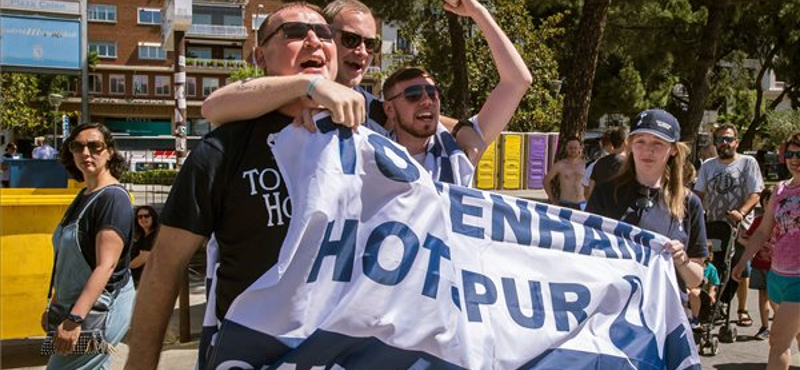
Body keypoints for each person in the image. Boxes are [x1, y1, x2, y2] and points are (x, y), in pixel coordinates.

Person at [125, 4, 338, 369]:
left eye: (325, 33)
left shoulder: (369, 146)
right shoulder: (222, 150)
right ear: (260, 56)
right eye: (295, 33)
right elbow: (164, 265)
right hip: (250, 356)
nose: (314, 41)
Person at [202, 0, 529, 167]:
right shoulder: (277, 98)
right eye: (350, 39)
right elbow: (214, 107)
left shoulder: (375, 110)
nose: (361, 50)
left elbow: (420, 117)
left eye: (370, 44)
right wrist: (309, 88)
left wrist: (460, 132)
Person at [42, 123, 135, 369]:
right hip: (75, 309)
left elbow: (106, 265)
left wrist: (74, 319)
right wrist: (55, 308)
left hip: (97, 312)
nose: (86, 153)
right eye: (77, 146)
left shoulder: (113, 199)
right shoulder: (84, 195)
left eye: (95, 146)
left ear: (110, 151)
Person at [587, 109, 707, 296]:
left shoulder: (689, 202)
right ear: (630, 145)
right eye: (640, 141)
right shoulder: (605, 193)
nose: (647, 150)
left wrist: (681, 260)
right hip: (614, 310)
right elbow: (586, 256)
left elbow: (695, 280)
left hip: (665, 315)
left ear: (673, 150)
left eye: (657, 143)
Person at [733, 132, 800, 370]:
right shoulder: (780, 189)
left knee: (778, 341)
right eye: (790, 154)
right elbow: (762, 231)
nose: (794, 159)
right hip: (777, 276)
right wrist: (743, 260)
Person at [694, 123, 764, 328]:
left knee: (741, 269)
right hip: (714, 225)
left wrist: (741, 213)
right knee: (716, 266)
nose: (724, 143)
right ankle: (715, 306)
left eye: (728, 139)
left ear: (736, 142)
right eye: (720, 140)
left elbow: (756, 193)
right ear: (715, 143)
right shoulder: (708, 165)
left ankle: (742, 309)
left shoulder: (747, 162)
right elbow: (699, 194)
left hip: (740, 226)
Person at [738, 186, 777, 341]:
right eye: (767, 201)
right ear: (764, 203)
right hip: (760, 265)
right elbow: (748, 240)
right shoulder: (758, 221)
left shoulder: (783, 221)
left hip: (778, 268)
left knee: (776, 299)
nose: (771, 205)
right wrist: (739, 238)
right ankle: (764, 326)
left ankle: (781, 324)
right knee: (763, 296)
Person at [584, 126, 627, 199]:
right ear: (626, 142)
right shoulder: (628, 164)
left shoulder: (599, 162)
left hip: (598, 207)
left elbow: (590, 190)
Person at [544, 137, 586, 210]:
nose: (573, 150)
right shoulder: (560, 165)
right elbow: (545, 181)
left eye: (575, 147)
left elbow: (593, 183)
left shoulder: (586, 165)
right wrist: (553, 200)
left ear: (580, 148)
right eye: (570, 148)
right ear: (566, 149)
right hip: (565, 203)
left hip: (582, 203)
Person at [687, 247, 720, 329]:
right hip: (688, 290)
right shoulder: (687, 267)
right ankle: (686, 316)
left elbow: (714, 284)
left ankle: (694, 319)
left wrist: (712, 294)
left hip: (703, 294)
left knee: (694, 292)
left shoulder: (711, 269)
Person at [131, 205, 159, 286]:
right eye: (140, 217)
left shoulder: (156, 236)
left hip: (148, 283)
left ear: (153, 217)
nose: (143, 219)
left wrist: (126, 268)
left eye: (146, 216)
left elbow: (144, 257)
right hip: (138, 281)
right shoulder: (141, 236)